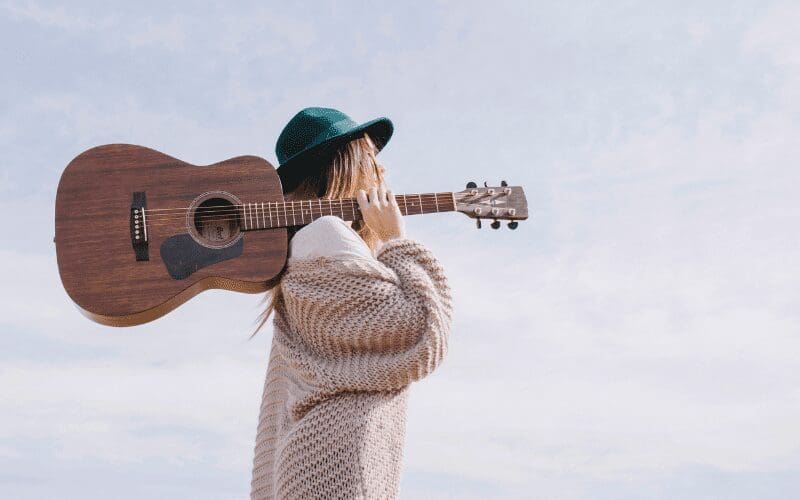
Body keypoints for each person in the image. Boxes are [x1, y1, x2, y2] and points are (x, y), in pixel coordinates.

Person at [249, 107, 453, 499]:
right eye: (373, 159)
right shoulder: (326, 236)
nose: (382, 174)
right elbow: (420, 330)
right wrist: (396, 240)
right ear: (348, 166)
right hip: (337, 469)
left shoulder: (299, 253)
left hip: (311, 465)